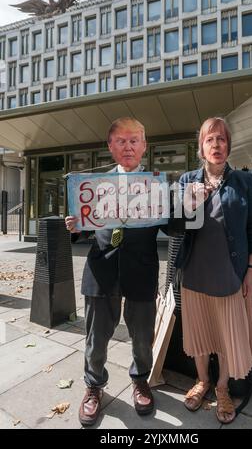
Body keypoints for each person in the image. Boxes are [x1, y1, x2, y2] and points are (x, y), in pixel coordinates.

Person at [65, 117, 166, 426]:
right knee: (96, 338)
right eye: (121, 141)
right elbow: (82, 228)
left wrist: (189, 206)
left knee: (141, 337)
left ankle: (140, 380)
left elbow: (173, 227)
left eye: (134, 140)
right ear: (110, 146)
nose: (128, 146)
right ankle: (94, 387)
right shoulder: (91, 186)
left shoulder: (158, 183)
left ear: (144, 146)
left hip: (141, 270)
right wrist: (73, 227)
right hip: (101, 270)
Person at [176, 117, 252, 424]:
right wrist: (190, 205)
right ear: (201, 147)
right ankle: (202, 381)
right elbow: (176, 227)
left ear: (228, 145)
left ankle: (223, 388)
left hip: (231, 273)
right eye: (210, 140)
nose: (216, 145)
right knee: (200, 334)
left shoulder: (244, 181)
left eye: (221, 139)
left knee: (226, 336)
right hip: (195, 273)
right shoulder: (187, 181)